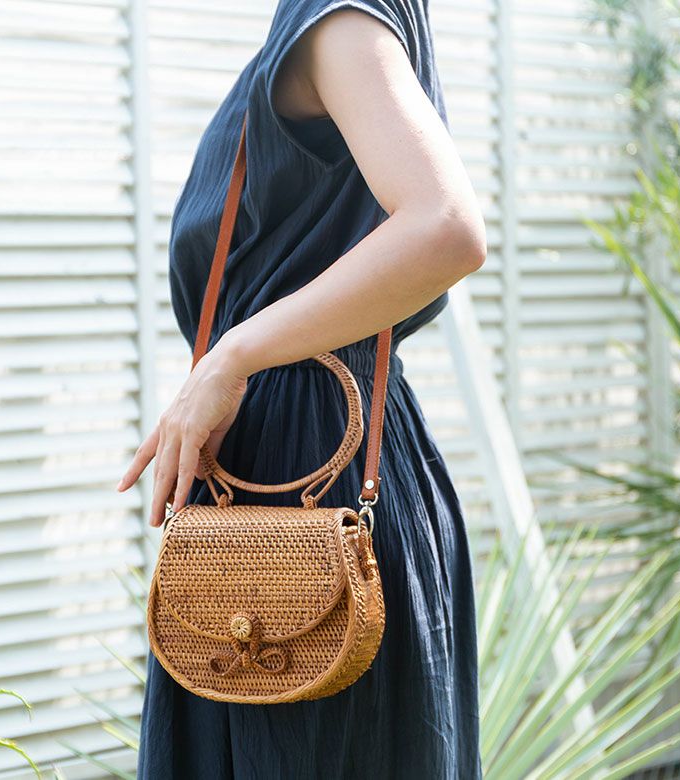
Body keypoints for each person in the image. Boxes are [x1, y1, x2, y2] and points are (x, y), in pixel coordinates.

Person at [118, 0, 486, 776]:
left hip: (305, 466)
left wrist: (231, 357)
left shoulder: (339, 20)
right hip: (326, 453)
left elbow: (445, 227)